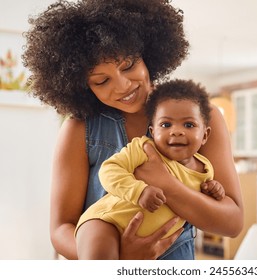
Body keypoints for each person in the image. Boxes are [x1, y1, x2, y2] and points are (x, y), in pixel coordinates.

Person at [22, 0, 243, 260]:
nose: (123, 85)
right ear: (83, 86)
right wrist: (117, 258)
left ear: (147, 54)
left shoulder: (200, 116)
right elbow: (61, 229)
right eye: (102, 81)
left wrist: (165, 184)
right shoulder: (79, 129)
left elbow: (232, 222)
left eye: (128, 65)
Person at [75, 79, 225, 259]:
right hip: (106, 222)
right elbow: (109, 169)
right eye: (166, 125)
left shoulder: (205, 168)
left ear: (205, 135)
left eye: (189, 125)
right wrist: (139, 191)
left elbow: (197, 205)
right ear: (153, 132)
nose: (176, 131)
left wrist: (214, 190)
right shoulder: (144, 148)